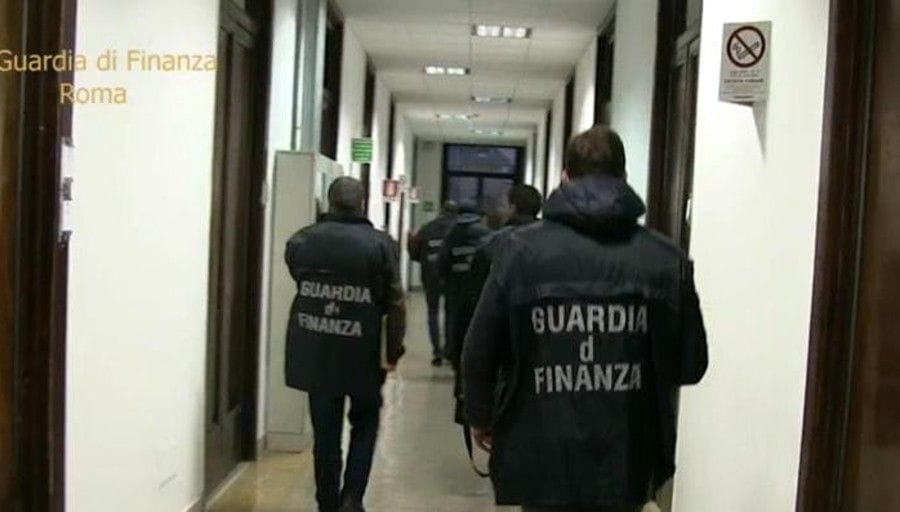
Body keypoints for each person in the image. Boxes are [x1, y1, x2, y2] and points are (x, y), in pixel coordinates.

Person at [462, 125, 708, 512]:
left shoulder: (518, 252)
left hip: (541, 448)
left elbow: (480, 350)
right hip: (627, 454)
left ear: (564, 177)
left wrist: (480, 415)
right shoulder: (665, 259)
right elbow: (691, 365)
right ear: (624, 177)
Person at [284, 177, 406, 512]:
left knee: (325, 434)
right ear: (362, 203)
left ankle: (326, 502)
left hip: (317, 349)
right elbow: (395, 301)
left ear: (329, 202)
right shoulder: (381, 245)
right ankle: (352, 498)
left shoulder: (301, 241)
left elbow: (299, 277)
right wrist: (393, 351)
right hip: (363, 351)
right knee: (365, 424)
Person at [438, 201, 493, 424]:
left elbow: (442, 264)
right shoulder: (486, 235)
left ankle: (457, 371)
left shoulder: (451, 235)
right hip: (479, 296)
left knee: (455, 330)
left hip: (456, 295)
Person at [408, 200, 458, 366]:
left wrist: (424, 261)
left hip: (430, 274)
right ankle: (450, 349)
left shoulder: (427, 228)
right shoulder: (458, 229)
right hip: (451, 275)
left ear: (441, 210)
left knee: (433, 312)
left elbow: (414, 251)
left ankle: (437, 351)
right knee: (451, 312)